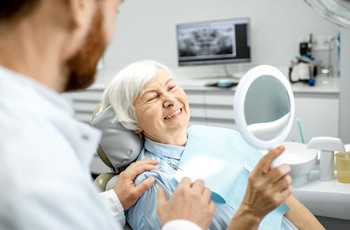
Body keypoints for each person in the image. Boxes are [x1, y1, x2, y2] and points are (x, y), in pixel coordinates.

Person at [0, 0, 212, 229]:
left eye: (171, 87)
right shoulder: (26, 157)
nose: (111, 31)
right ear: (79, 5)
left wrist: (114, 201)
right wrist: (183, 225)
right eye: (116, 9)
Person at [101, 60, 325, 230]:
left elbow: (284, 200)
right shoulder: (150, 183)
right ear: (132, 120)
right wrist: (251, 211)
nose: (169, 100)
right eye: (152, 98)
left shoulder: (222, 136)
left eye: (171, 87)